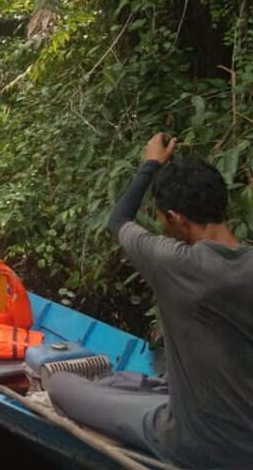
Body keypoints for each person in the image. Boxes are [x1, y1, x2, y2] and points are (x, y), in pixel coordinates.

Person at [47, 133, 253, 468]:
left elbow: (119, 220)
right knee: (150, 386)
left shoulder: (172, 262)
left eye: (161, 219)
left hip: (195, 444)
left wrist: (152, 163)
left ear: (176, 218)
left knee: (60, 384)